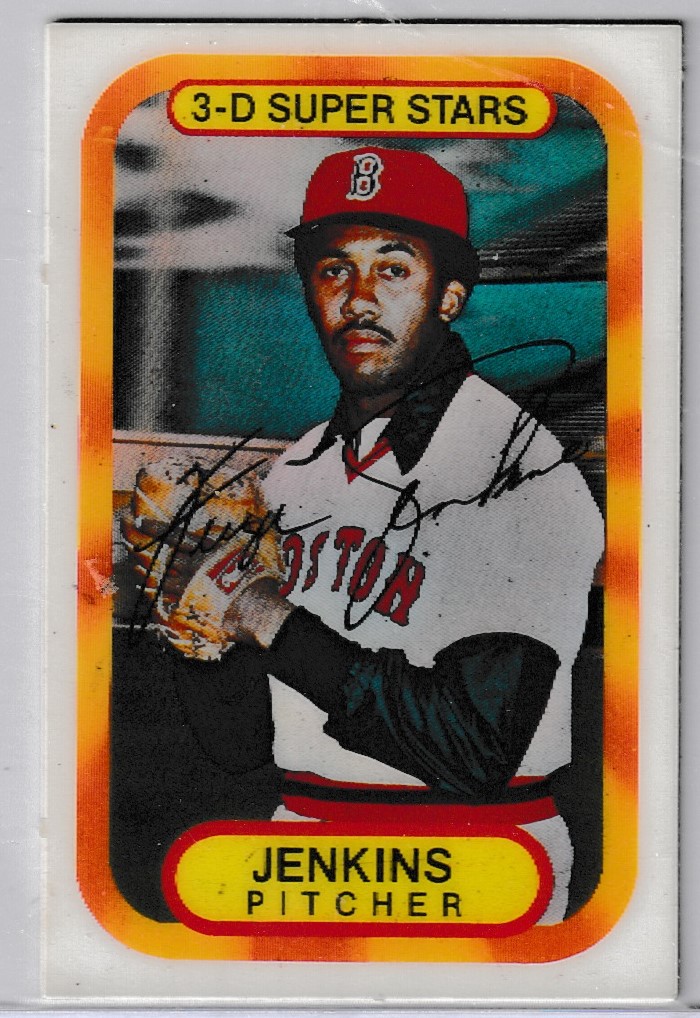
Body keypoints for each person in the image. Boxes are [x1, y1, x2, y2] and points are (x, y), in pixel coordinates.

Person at [127, 146, 604, 923]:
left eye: (393, 269)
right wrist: (192, 621)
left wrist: (263, 613)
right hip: (300, 849)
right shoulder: (296, 470)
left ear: (449, 295)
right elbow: (239, 745)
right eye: (333, 270)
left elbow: (474, 749)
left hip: (476, 861)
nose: (358, 299)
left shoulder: (519, 470)